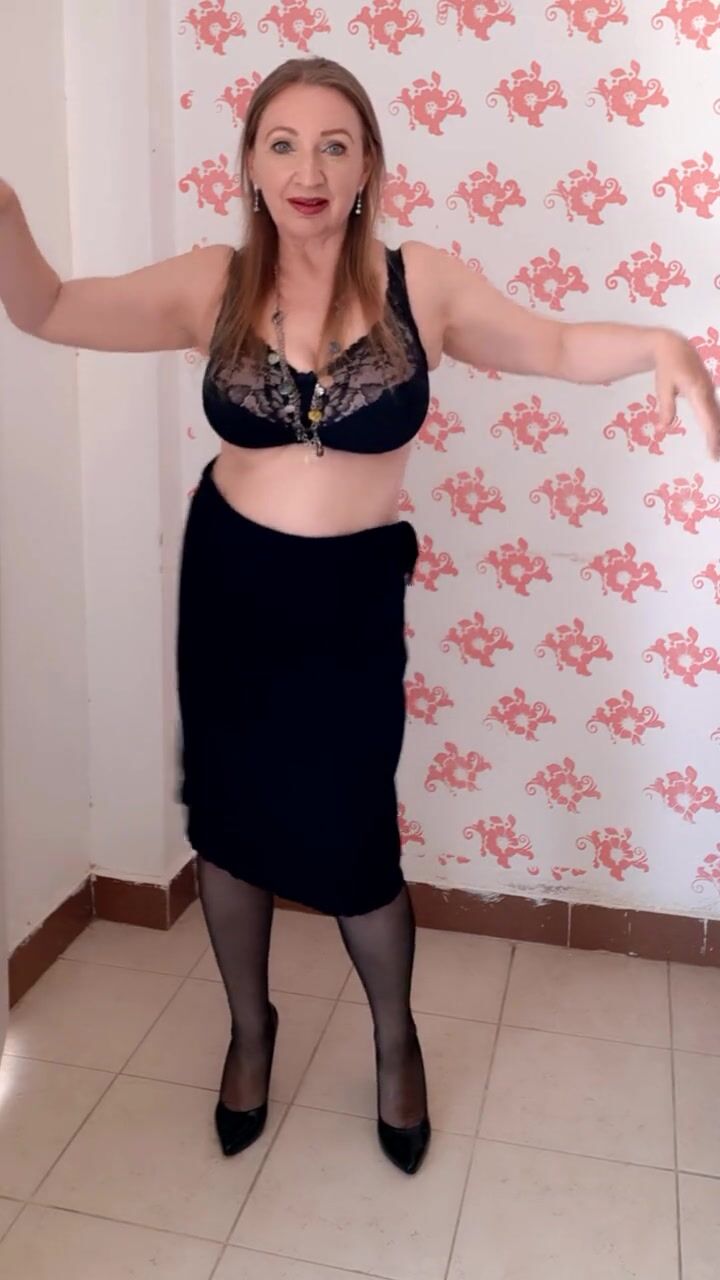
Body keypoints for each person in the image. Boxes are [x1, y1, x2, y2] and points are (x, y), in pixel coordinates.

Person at [2, 56, 718, 1179]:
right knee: (229, 823)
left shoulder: (419, 282)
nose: (309, 167)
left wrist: (660, 345)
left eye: (335, 144)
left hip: (348, 605)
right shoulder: (211, 284)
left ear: (369, 165)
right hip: (232, 591)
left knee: (354, 836)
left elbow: (552, 344)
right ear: (250, 164)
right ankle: (251, 1032)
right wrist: (5, 207)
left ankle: (395, 1042)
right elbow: (45, 307)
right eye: (283, 142)